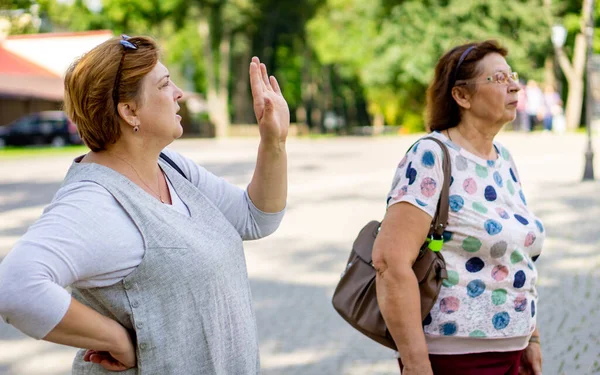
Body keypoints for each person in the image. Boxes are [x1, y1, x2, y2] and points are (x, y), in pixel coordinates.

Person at [0, 35, 289, 374]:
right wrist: (115, 338)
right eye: (165, 85)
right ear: (129, 110)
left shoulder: (171, 166)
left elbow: (256, 219)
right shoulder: (96, 201)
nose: (179, 93)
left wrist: (274, 141)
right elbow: (17, 286)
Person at [372, 40, 544, 375]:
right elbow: (390, 263)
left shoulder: (504, 160)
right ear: (461, 96)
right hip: (457, 359)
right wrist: (416, 362)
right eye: (498, 79)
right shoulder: (431, 155)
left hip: (514, 354)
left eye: (513, 76)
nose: (515, 85)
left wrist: (532, 338)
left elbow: (516, 257)